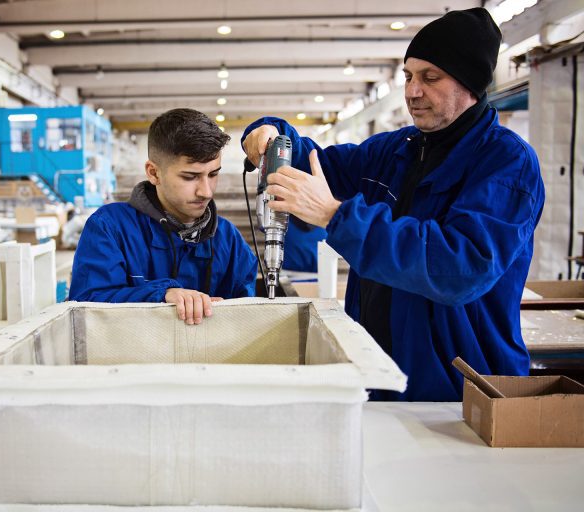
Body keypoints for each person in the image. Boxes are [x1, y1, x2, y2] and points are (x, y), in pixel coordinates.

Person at [242, 7, 545, 401]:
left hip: (462, 387)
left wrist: (335, 216)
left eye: (430, 78)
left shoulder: (506, 163)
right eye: (408, 76)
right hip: (382, 369)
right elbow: (317, 164)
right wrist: (271, 134)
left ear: (470, 84)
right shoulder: (396, 149)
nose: (412, 91)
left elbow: (459, 267)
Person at [69, 108, 258, 325]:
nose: (206, 191)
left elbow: (247, 318)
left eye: (213, 174)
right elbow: (85, 306)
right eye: (190, 176)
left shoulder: (228, 239)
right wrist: (162, 294)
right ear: (153, 173)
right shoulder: (109, 228)